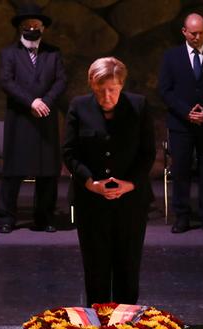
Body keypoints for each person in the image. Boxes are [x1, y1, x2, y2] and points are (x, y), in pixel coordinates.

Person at [63, 57, 155, 306]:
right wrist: (90, 182)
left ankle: (126, 327)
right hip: (91, 201)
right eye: (100, 89)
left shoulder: (139, 106)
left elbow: (148, 153)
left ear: (121, 85)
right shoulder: (79, 107)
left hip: (131, 200)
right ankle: (98, 326)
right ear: (92, 85)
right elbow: (70, 153)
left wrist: (130, 183)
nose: (107, 96)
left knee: (128, 264)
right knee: (96, 266)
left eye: (112, 89)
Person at [158, 13, 203, 234]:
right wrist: (186, 112)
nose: (197, 37)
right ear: (184, 32)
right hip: (181, 124)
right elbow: (165, 90)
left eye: (201, 33)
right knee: (181, 170)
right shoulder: (171, 56)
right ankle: (182, 216)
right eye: (193, 33)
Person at [0, 3, 67, 234]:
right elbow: (7, 81)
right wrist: (31, 101)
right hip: (20, 118)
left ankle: (44, 217)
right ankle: (7, 218)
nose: (31, 28)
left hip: (45, 119)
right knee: (13, 172)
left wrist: (45, 101)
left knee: (47, 172)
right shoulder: (9, 53)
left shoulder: (53, 53)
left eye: (36, 25)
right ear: (19, 28)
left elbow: (60, 81)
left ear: (43, 28)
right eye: (27, 25)